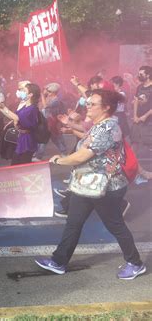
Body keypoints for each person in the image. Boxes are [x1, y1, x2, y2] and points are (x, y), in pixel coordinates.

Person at [35, 89, 146, 280]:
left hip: (105, 188)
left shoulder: (108, 128)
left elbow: (85, 154)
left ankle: (135, 263)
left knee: (116, 225)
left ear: (106, 107)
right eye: (88, 103)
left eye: (92, 104)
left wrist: (59, 160)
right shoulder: (99, 125)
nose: (88, 106)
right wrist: (71, 126)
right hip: (87, 184)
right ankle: (59, 261)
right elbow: (87, 138)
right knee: (73, 223)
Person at [0, 82, 41, 165]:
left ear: (30, 95)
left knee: (22, 165)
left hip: (27, 140)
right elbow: (13, 117)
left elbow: (17, 118)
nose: (21, 92)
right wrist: (1, 108)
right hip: (22, 138)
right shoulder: (25, 106)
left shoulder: (32, 108)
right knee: (16, 164)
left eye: (24, 90)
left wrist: (2, 108)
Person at [33, 82, 67, 161]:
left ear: (52, 92)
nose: (46, 91)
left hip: (52, 122)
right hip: (47, 122)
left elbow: (45, 107)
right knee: (54, 139)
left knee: (53, 138)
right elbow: (41, 107)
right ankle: (64, 152)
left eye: (47, 90)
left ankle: (39, 156)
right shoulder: (49, 98)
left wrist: (42, 95)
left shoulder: (56, 100)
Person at [131, 65, 152, 181]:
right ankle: (140, 172)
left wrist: (145, 116)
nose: (139, 75)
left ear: (148, 75)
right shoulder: (139, 87)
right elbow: (136, 102)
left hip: (149, 122)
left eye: (141, 73)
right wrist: (135, 115)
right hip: (138, 122)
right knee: (134, 146)